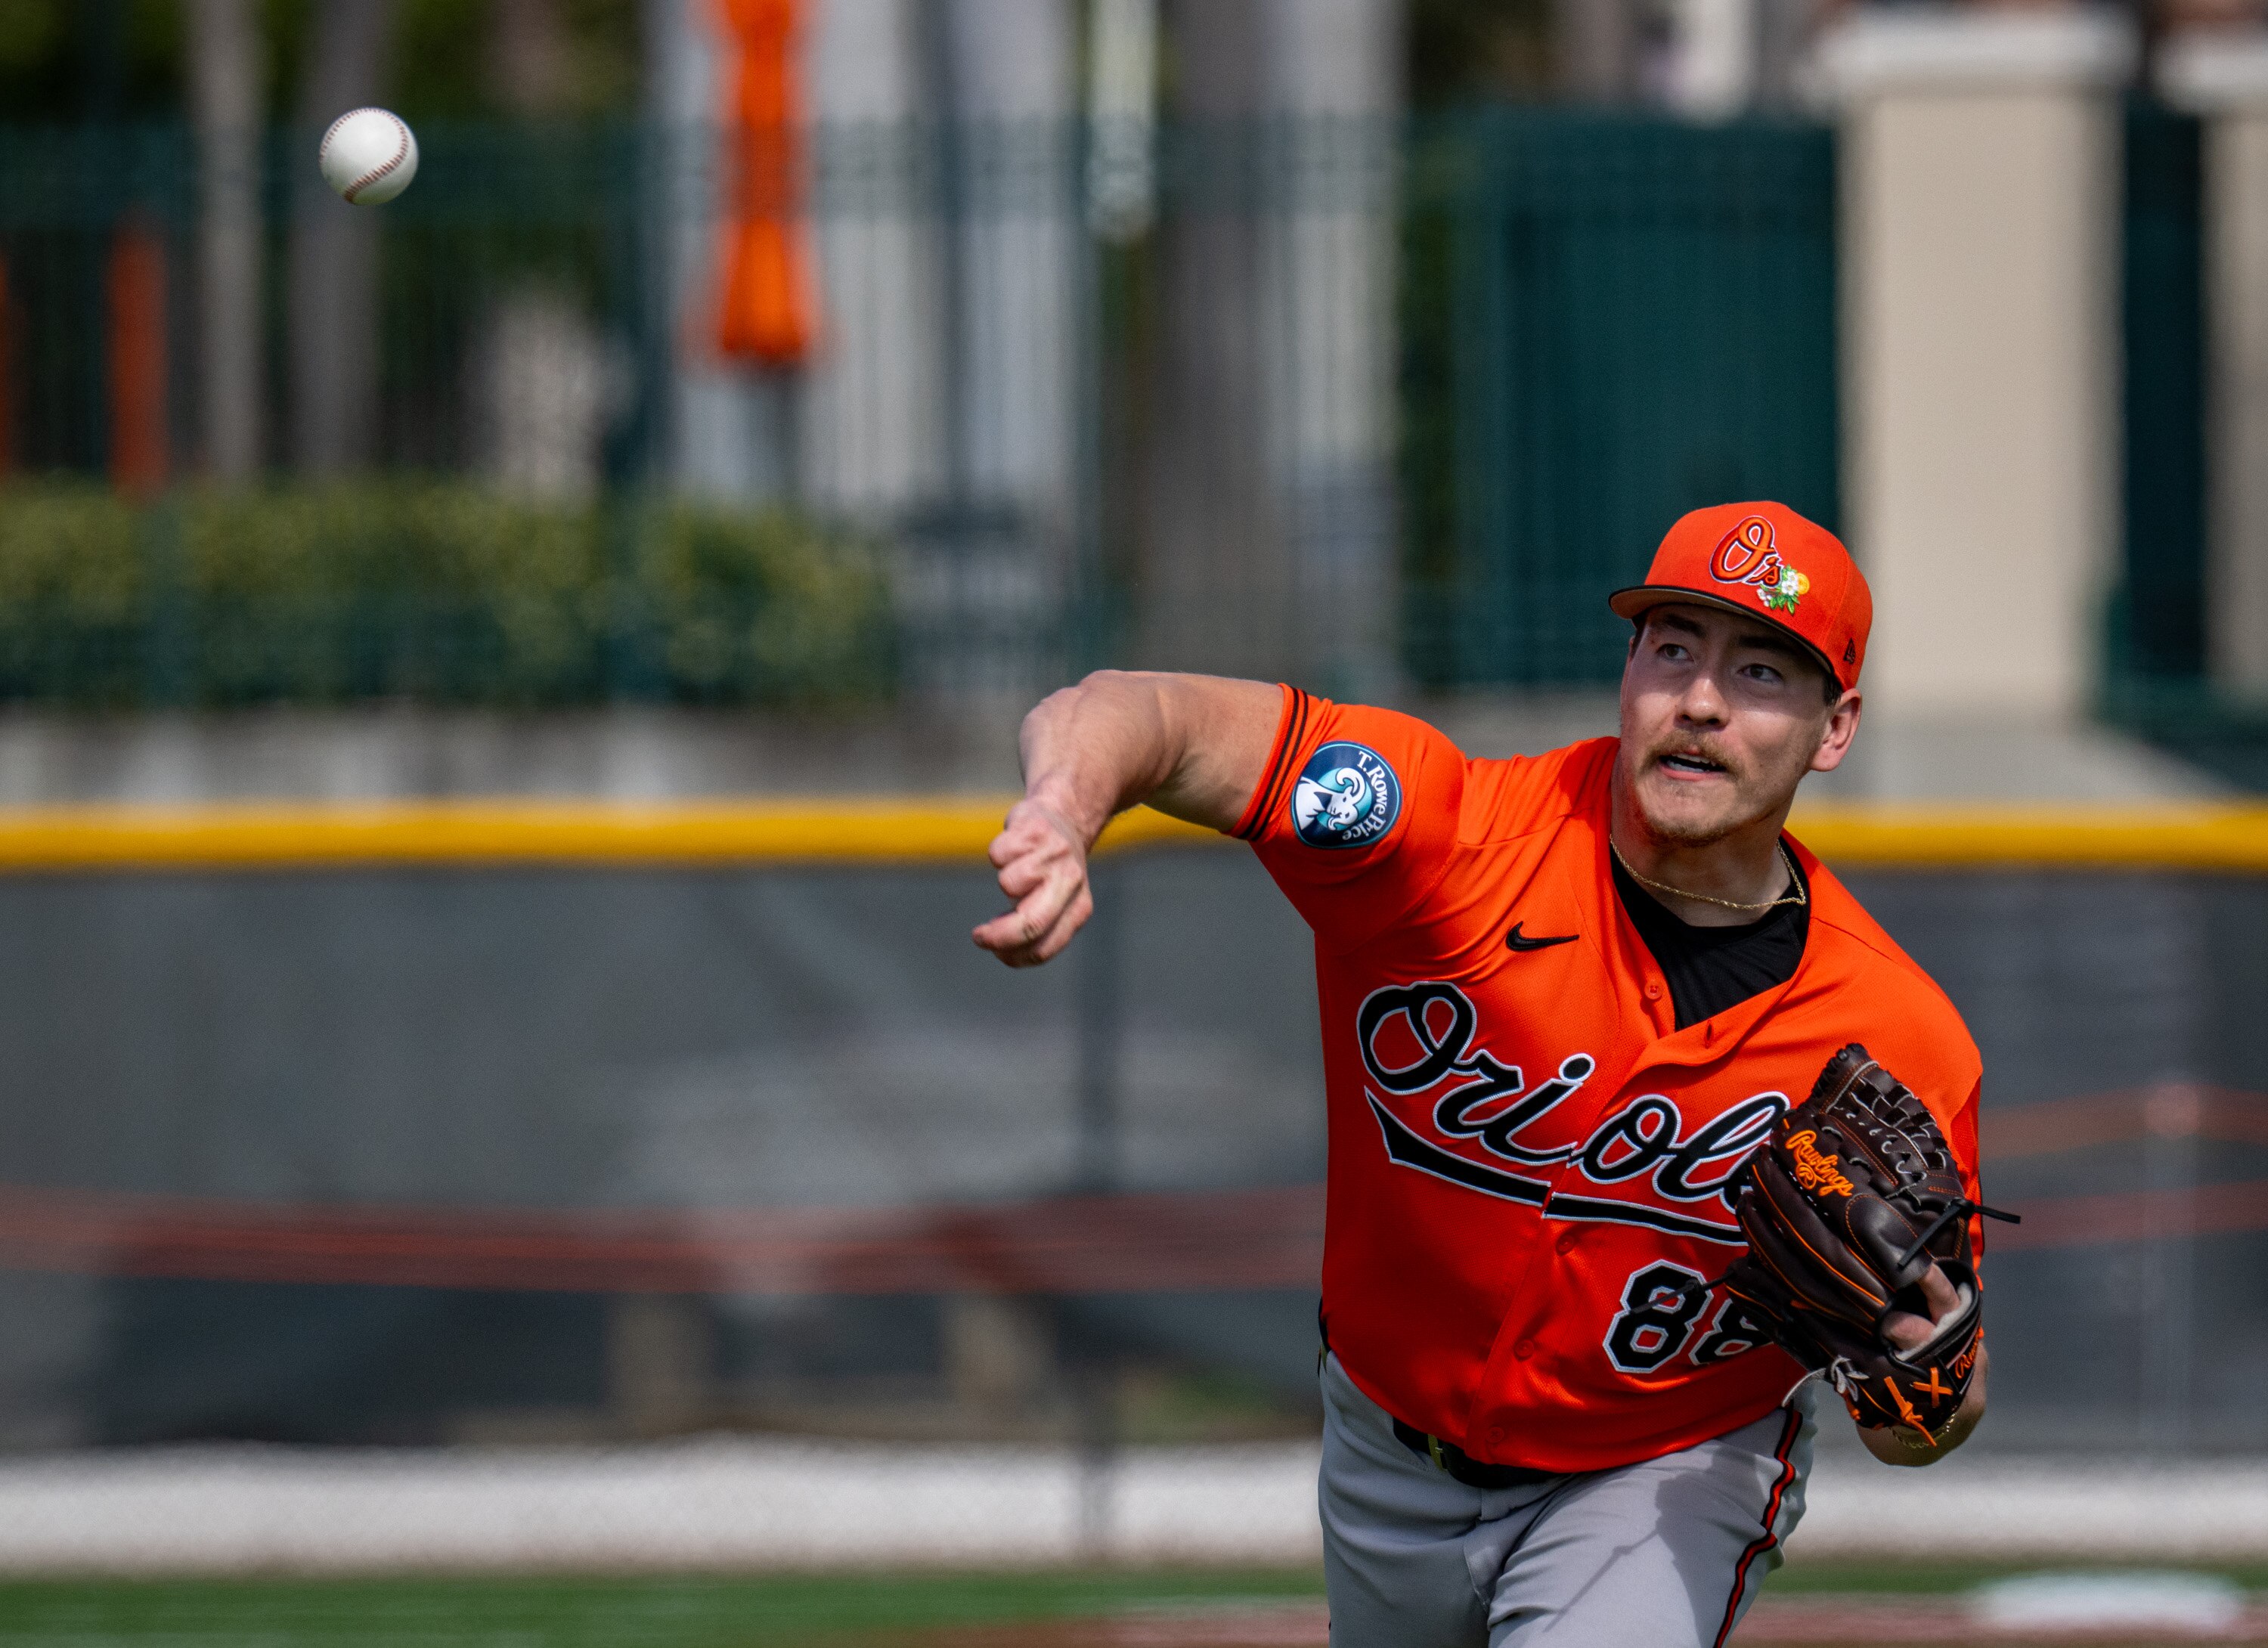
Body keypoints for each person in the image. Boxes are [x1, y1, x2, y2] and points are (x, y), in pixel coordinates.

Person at [973, 502, 1990, 1648]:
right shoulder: (1440, 837)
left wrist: (1926, 1379)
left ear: (1834, 727)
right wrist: (1065, 804)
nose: (1700, 701)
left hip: (1661, 1474)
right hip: (1383, 1445)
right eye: (1673, 649)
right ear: (1629, 669)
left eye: (1760, 671)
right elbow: (1134, 711)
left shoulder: (1897, 1037)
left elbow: (1926, 1418)